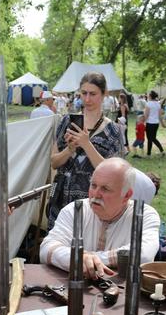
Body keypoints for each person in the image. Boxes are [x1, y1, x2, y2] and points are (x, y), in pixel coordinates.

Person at [40, 158, 160, 279]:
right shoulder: (75, 210)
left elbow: (143, 254)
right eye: (93, 185)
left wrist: (89, 259)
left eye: (105, 189)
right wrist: (80, 258)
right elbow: (46, 249)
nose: (95, 194)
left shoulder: (144, 214)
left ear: (127, 195)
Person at [47, 72, 123, 230]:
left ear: (104, 94)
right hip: (61, 201)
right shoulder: (66, 121)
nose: (87, 99)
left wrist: (86, 144)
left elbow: (113, 174)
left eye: (93, 94)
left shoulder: (113, 131)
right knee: (58, 249)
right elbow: (54, 162)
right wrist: (69, 149)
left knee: (86, 251)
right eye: (84, 93)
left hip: (93, 205)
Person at [143, 90, 166, 157]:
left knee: (150, 139)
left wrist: (143, 122)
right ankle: (161, 151)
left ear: (150, 96)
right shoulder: (158, 104)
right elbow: (160, 115)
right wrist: (162, 123)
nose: (148, 96)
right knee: (153, 138)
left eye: (148, 95)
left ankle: (149, 154)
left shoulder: (148, 104)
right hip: (156, 123)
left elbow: (146, 115)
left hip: (150, 123)